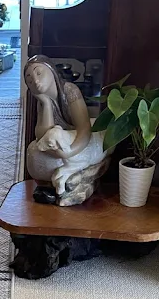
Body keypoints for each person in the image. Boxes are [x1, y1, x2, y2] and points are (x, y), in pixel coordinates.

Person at [24, 55, 110, 206]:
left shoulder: (69, 90)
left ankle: (74, 178)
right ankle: (55, 183)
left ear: (51, 71)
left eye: (39, 73)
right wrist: (46, 103)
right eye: (29, 80)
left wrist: (69, 152)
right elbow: (41, 137)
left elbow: (84, 131)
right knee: (33, 151)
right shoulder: (42, 100)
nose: (35, 81)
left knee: (49, 155)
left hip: (78, 143)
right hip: (58, 143)